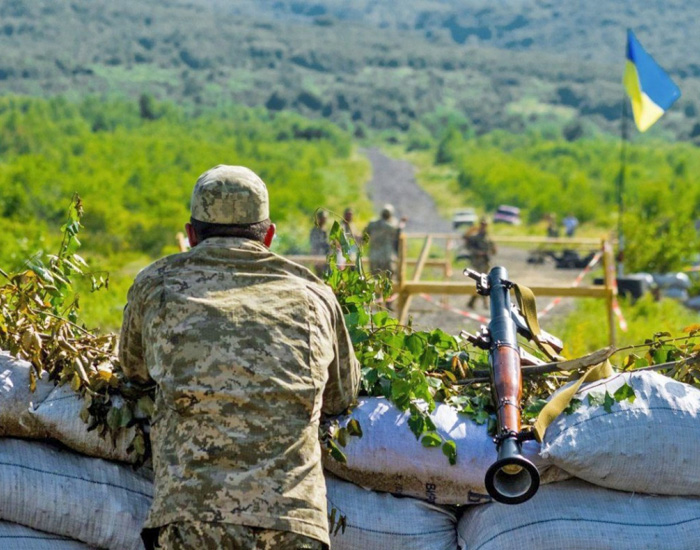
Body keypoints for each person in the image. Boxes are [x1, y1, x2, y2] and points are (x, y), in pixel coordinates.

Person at [119, 165, 360, 550]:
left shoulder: (156, 284)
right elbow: (340, 396)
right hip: (291, 524)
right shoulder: (314, 295)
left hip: (191, 520)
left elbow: (133, 371)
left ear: (192, 234)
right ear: (268, 235)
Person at [363, 204, 405, 277]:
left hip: (374, 255)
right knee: (389, 277)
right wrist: (402, 223)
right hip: (386, 255)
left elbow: (365, 233)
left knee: (375, 277)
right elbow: (397, 231)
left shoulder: (373, 224)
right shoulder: (390, 226)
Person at [465, 218, 496, 309]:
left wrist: (492, 250)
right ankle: (485, 303)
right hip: (478, 262)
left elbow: (493, 249)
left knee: (483, 281)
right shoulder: (475, 237)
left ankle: (472, 302)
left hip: (486, 261)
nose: (483, 226)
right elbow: (468, 247)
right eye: (482, 224)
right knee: (482, 280)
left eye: (485, 225)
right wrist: (477, 252)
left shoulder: (488, 237)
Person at [309, 209, 331, 276]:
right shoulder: (315, 230)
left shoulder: (325, 230)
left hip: (326, 257)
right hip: (319, 257)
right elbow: (315, 244)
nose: (325, 220)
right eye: (323, 218)